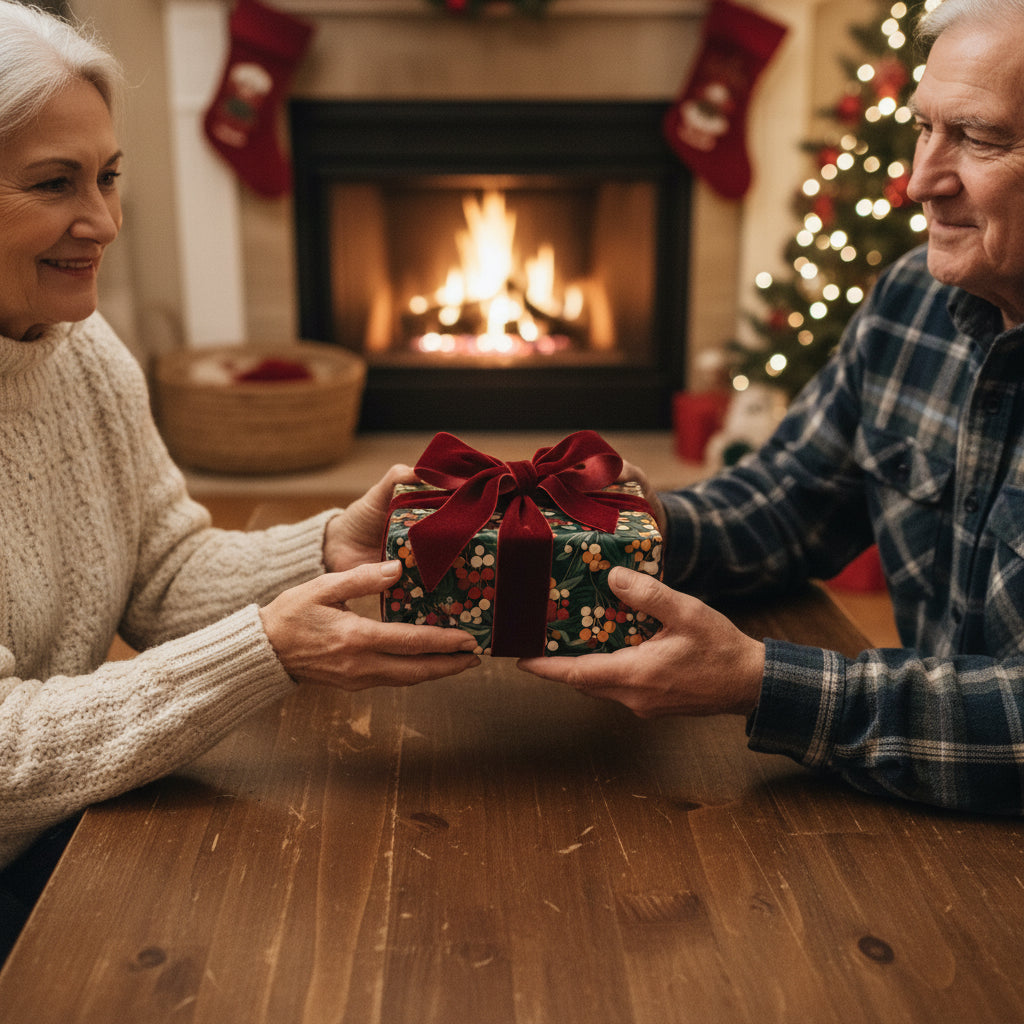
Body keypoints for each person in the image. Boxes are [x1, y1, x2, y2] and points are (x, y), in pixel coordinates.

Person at [0, 0, 478, 955]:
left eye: (108, 176)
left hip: (61, 827)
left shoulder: (80, 348)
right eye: (56, 184)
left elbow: (159, 571)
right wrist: (269, 650)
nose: (104, 221)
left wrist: (327, 546)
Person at [521, 0, 1024, 817]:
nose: (919, 181)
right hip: (912, 814)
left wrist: (763, 684)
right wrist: (641, 527)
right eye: (925, 128)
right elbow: (794, 495)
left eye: (978, 138)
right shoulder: (912, 300)